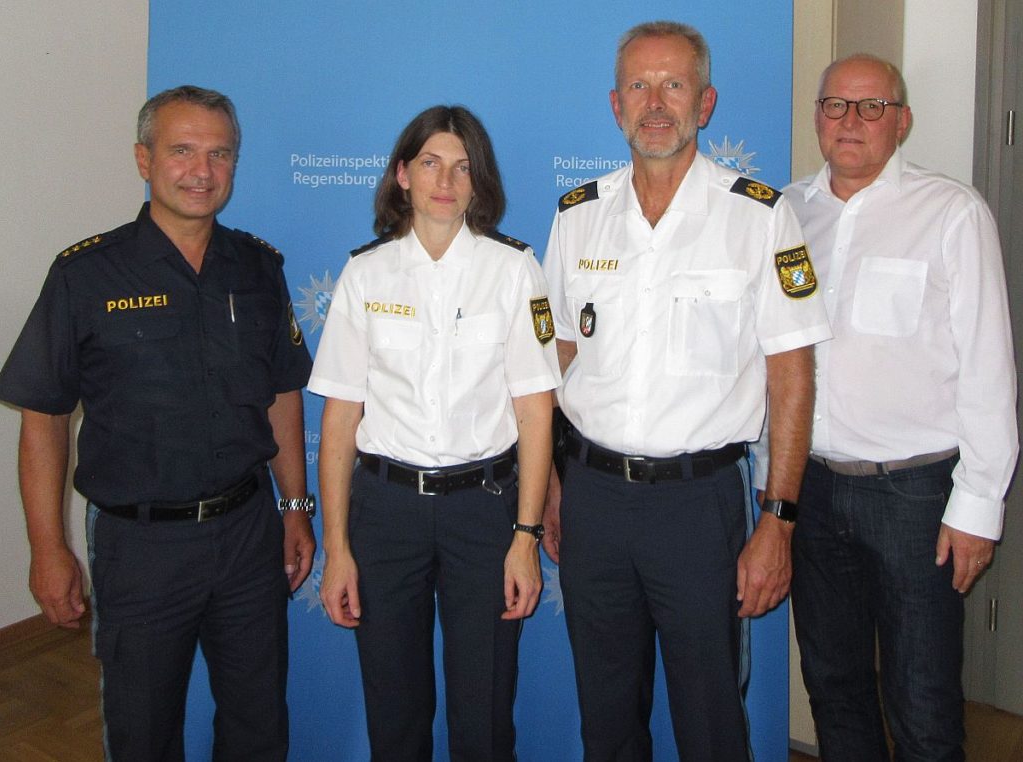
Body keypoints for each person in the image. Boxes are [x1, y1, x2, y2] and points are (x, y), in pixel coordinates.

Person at [540, 20, 832, 761]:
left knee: (710, 720)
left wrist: (779, 521)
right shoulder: (577, 217)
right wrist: (547, 478)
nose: (656, 102)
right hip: (593, 495)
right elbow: (556, 358)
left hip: (700, 507)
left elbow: (791, 376)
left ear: (706, 102)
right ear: (615, 105)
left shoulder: (760, 216)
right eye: (639, 85)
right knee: (605, 716)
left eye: (675, 84)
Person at [0, 85, 316, 761]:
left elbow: (282, 395)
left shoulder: (258, 268)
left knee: (259, 723)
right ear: (144, 160)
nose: (202, 170)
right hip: (139, 546)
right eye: (182, 151)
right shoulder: (85, 274)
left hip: (246, 534)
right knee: (142, 730)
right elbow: (44, 419)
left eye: (219, 154)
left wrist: (295, 506)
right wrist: (48, 547)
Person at [782, 54, 1018, 761]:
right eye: (835, 105)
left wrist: (977, 508)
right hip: (812, 490)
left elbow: (988, 367)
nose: (850, 121)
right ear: (817, 116)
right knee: (834, 687)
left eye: (871, 107)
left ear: (902, 121)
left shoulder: (952, 213)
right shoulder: (785, 213)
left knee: (922, 701)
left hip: (915, 496)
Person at [310, 104, 560, 761]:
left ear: (480, 184)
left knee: (484, 717)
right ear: (402, 175)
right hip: (386, 514)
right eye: (429, 163)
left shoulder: (514, 271)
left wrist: (525, 538)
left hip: (485, 512)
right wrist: (335, 547)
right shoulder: (365, 275)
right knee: (395, 712)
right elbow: (339, 421)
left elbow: (536, 413)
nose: (445, 180)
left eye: (461, 166)